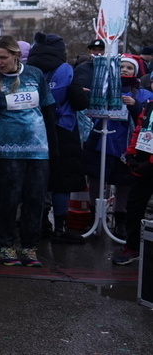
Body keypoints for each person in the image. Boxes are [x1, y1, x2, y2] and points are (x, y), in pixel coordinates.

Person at [0, 35, 56, 267]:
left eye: (3, 57)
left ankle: (29, 247)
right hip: (7, 148)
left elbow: (48, 110)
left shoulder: (35, 74)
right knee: (8, 199)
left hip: (38, 148)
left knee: (35, 200)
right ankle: (6, 246)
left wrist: (53, 147)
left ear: (16, 55)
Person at [26, 32, 89, 244]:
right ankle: (60, 228)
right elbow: (79, 102)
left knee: (38, 179)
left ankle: (40, 224)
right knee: (62, 182)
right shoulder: (66, 70)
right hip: (63, 129)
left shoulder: (29, 70)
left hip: (34, 128)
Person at [83, 54, 153, 239]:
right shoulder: (103, 88)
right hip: (101, 143)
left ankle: (120, 221)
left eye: (129, 68)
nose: (124, 70)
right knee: (96, 182)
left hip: (126, 146)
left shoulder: (144, 95)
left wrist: (134, 105)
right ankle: (94, 217)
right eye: (121, 67)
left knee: (124, 185)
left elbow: (146, 119)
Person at [112, 100, 153, 265]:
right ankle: (132, 247)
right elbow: (139, 130)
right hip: (142, 164)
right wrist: (131, 153)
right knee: (134, 207)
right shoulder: (150, 106)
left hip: (149, 163)